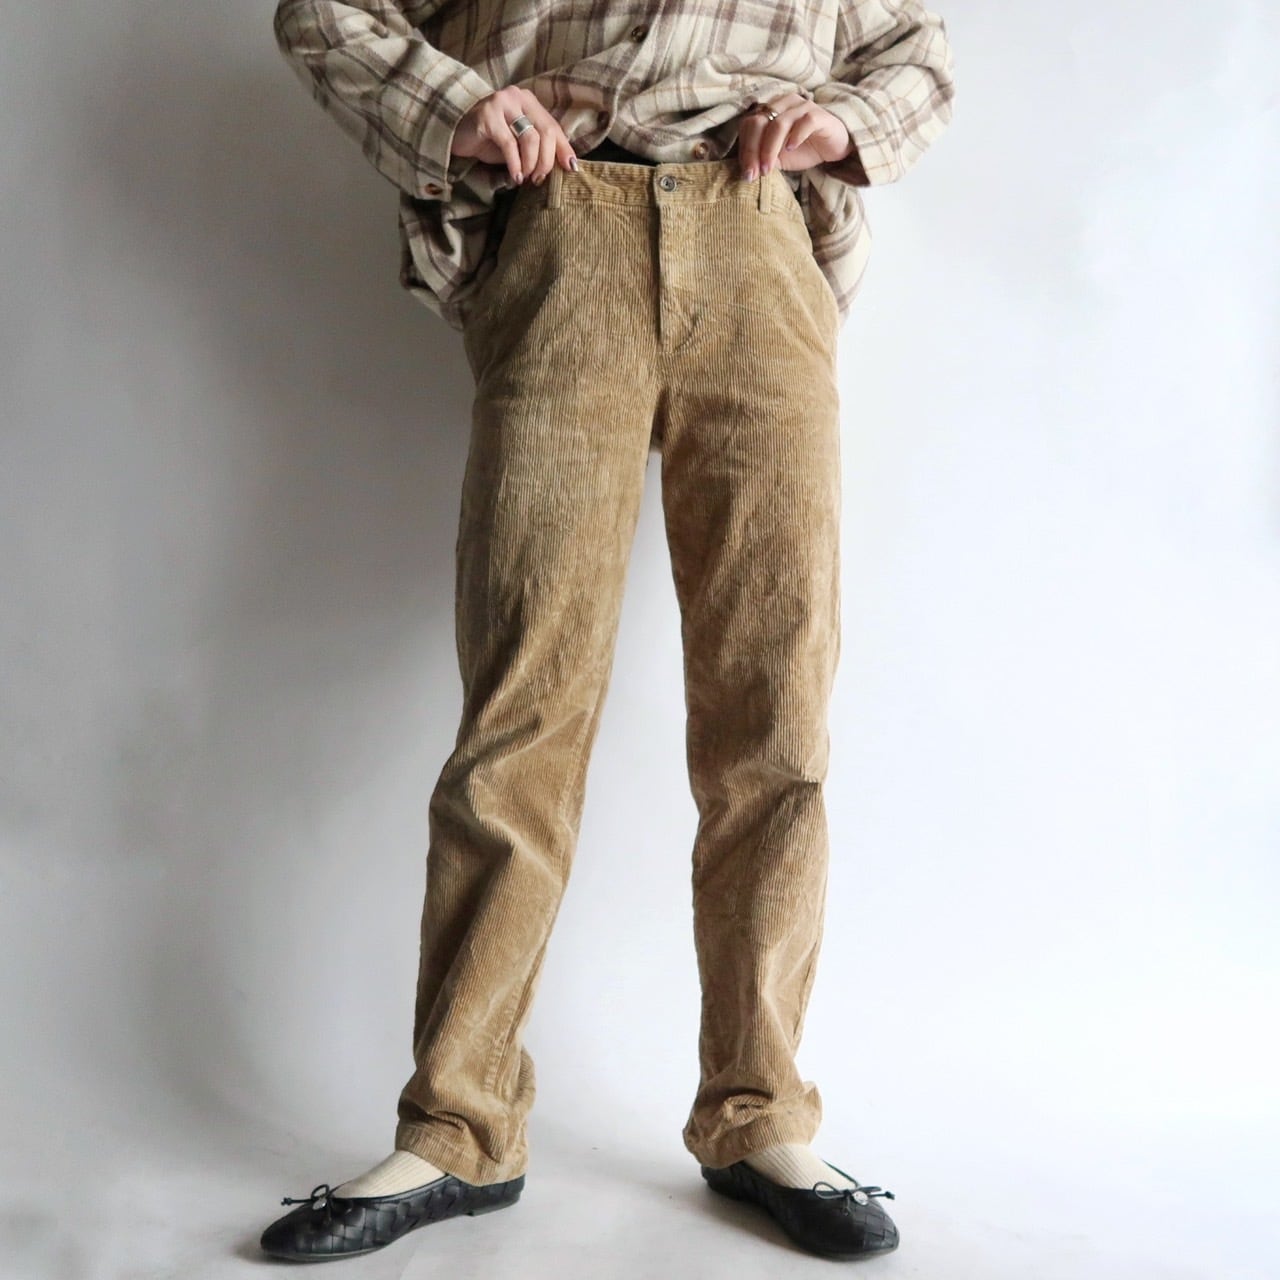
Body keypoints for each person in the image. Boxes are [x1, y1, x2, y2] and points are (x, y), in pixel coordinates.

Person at [261, 0, 955, 1263]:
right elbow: (323, 11)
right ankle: (458, 1125)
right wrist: (457, 107)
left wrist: (840, 122)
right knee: (519, 715)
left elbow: (911, 47)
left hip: (759, 237)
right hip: (559, 230)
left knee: (774, 716)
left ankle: (758, 1111)